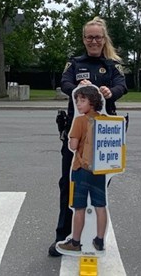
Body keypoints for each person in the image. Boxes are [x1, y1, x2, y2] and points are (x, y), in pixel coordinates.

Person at [49, 16, 128, 257]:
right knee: (70, 184)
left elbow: (122, 86)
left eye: (98, 37)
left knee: (99, 188)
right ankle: (64, 235)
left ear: (104, 39)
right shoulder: (74, 63)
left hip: (105, 137)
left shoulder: (113, 65)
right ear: (84, 39)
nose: (94, 41)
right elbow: (63, 83)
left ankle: (96, 237)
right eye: (89, 37)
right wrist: (76, 87)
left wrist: (109, 92)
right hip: (78, 134)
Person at [56, 86, 107, 255]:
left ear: (92, 102)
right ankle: (99, 240)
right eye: (77, 100)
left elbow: (73, 146)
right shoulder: (104, 119)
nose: (78, 104)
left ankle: (76, 241)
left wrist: (67, 136)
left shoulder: (80, 121)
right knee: (100, 206)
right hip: (99, 169)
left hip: (81, 169)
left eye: (82, 100)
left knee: (79, 207)